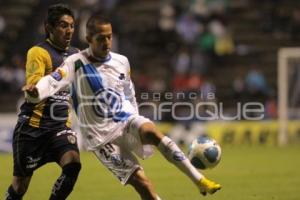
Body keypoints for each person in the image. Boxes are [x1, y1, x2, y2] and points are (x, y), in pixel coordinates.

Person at [24, 14, 221, 200]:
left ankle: (200, 180)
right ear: (88, 39)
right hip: (101, 138)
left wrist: (135, 119)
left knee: (152, 131)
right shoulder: (75, 63)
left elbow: (129, 93)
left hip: (125, 120)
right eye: (101, 38)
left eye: (109, 37)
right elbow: (52, 81)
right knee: (143, 185)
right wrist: (36, 92)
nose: (107, 42)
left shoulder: (121, 61)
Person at [5, 4, 81, 200]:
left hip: (59, 127)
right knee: (20, 187)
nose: (69, 30)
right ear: (49, 27)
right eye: (64, 25)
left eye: (72, 26)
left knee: (73, 163)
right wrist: (33, 91)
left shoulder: (76, 55)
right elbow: (34, 87)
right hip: (32, 130)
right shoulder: (38, 53)